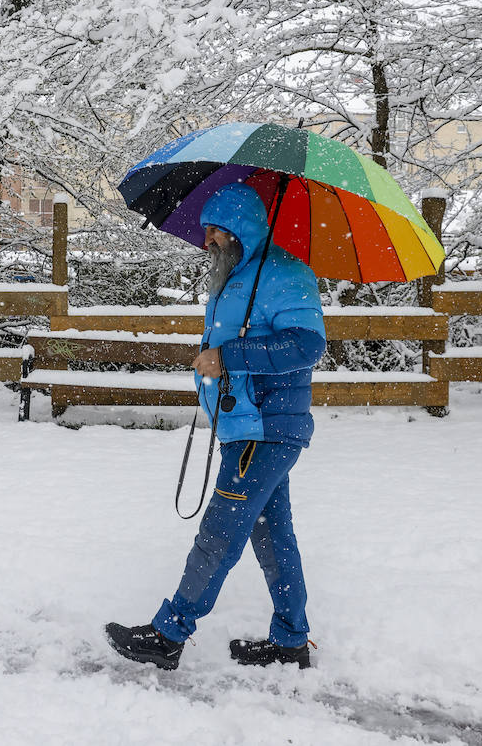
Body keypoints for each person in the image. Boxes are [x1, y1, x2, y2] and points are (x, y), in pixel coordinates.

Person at [106, 181, 326, 671]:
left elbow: (305, 346)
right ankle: (291, 641)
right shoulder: (237, 278)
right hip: (244, 426)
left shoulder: (286, 275)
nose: (206, 241)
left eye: (214, 232)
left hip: (265, 428)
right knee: (273, 535)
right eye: (205, 231)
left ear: (240, 230)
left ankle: (169, 633)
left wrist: (227, 357)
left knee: (220, 532)